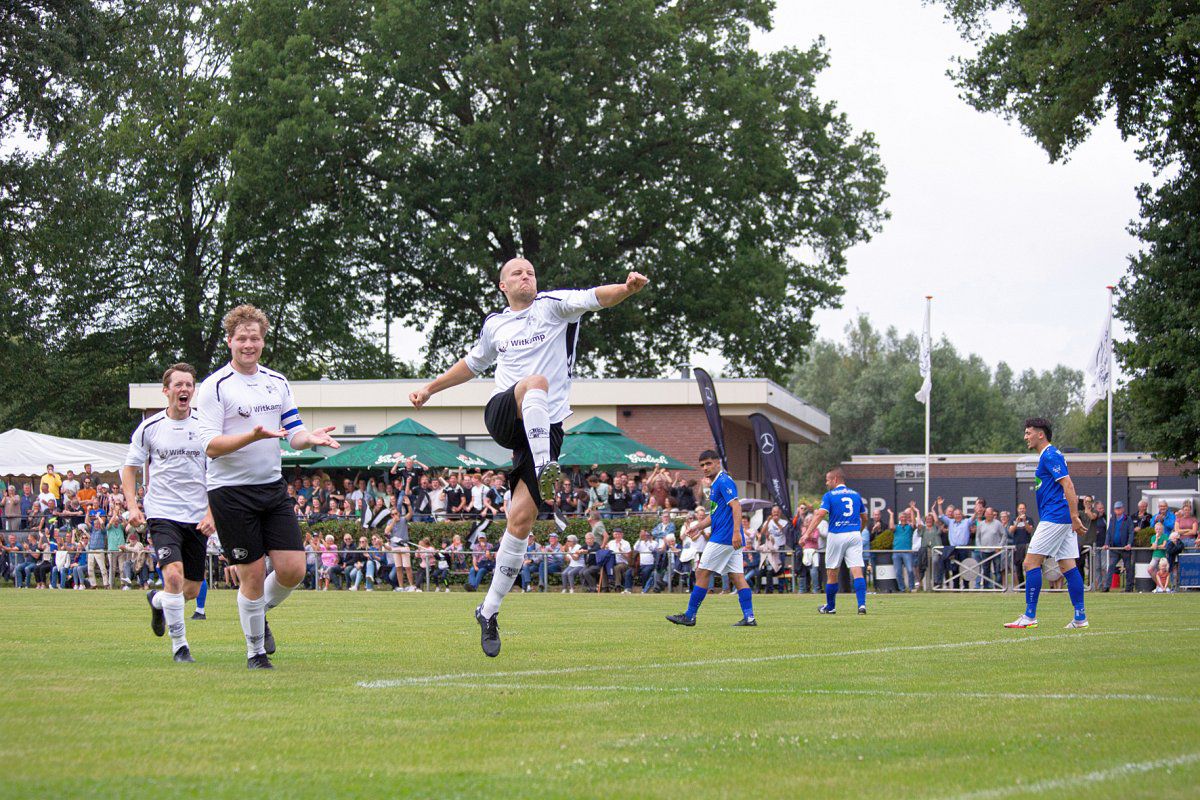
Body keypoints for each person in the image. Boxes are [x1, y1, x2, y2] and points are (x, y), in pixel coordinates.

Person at [409, 258, 648, 656]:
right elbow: (472, 364)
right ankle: (546, 468)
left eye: (531, 272)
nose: (526, 276)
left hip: (545, 427)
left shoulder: (553, 306)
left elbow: (596, 298)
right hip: (505, 412)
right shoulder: (495, 324)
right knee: (535, 382)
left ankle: (488, 610)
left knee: (520, 521)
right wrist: (430, 389)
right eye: (517, 273)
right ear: (503, 285)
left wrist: (625, 289)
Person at [194, 305, 339, 669]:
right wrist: (251, 436)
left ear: (263, 341)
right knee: (253, 574)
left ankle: (257, 612)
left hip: (272, 487)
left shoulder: (277, 381)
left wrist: (309, 438)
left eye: (255, 338)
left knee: (293, 569)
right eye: (242, 338)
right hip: (230, 491)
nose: (249, 344)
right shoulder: (215, 386)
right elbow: (210, 446)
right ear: (230, 341)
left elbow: (293, 432)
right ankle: (255, 653)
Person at [122, 363, 215, 663]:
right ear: (166, 390)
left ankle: (157, 600)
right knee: (173, 576)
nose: (184, 389)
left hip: (197, 516)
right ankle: (180, 647)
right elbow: (129, 469)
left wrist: (212, 513)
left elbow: (219, 472)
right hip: (162, 513)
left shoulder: (204, 426)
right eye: (178, 384)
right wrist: (133, 506)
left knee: (190, 589)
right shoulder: (150, 428)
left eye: (189, 384)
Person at [1006, 418, 1089, 629]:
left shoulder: (1050, 455)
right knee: (1067, 565)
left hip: (1055, 517)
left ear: (1040, 434)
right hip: (1060, 517)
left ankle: (1029, 616)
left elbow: (1068, 485)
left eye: (1028, 433)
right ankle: (1080, 618)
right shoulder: (1050, 455)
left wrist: (1074, 516)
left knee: (1030, 563)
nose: (1025, 437)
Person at [666, 450, 756, 627]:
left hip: (724, 537)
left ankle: (690, 615)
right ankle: (749, 617)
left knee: (702, 572)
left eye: (708, 463)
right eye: (702, 465)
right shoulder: (715, 484)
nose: (705, 467)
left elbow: (736, 506)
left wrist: (736, 533)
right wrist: (698, 526)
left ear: (717, 463)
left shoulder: (723, 481)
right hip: (727, 537)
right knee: (737, 576)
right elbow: (715, 514)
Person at [802, 468, 868, 615]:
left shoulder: (829, 496)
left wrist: (807, 533)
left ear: (835, 479)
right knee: (857, 571)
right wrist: (859, 530)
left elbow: (820, 515)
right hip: (854, 534)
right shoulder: (856, 495)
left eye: (828, 480)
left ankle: (830, 607)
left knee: (832, 572)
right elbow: (864, 518)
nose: (826, 483)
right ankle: (861, 605)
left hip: (837, 534)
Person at [1101, 500, 1135, 592]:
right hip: (1115, 548)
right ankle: (1107, 586)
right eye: (1116, 509)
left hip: (1125, 549)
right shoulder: (1112, 519)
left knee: (1128, 567)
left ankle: (1129, 587)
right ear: (1114, 510)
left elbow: (1131, 532)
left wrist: (1129, 544)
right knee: (1111, 566)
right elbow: (1109, 533)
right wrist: (1106, 543)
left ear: (1123, 509)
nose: (1118, 510)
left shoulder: (1128, 519)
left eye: (1119, 508)